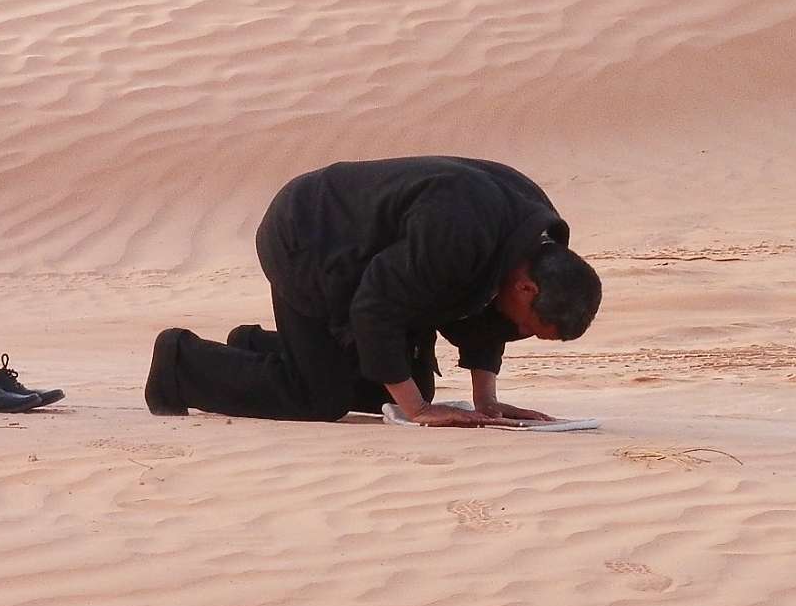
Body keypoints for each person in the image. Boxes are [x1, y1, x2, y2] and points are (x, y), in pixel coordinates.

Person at [144, 155, 601, 427]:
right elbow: (375, 307)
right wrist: (418, 411)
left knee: (404, 386)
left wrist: (488, 402)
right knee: (320, 396)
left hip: (371, 253)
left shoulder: (532, 235)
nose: (520, 332)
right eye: (529, 326)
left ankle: (256, 348)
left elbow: (488, 315)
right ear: (527, 286)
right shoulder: (458, 233)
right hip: (309, 236)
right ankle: (179, 365)